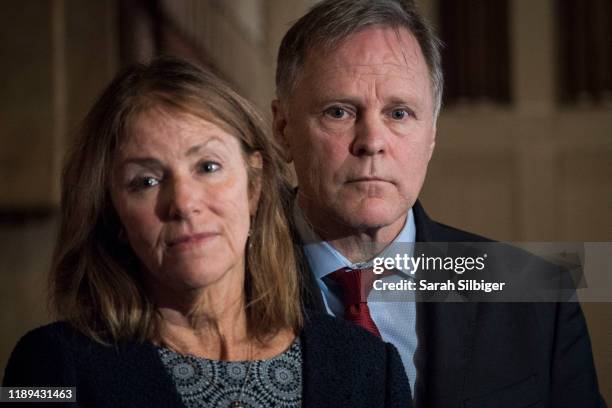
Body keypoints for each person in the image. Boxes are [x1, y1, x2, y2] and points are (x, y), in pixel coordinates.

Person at [3, 57, 411, 407]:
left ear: (254, 185)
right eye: (145, 181)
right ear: (114, 216)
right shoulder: (48, 369)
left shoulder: (371, 369)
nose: (183, 203)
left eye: (208, 167)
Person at [271, 0, 606, 407]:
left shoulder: (538, 296)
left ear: (430, 135)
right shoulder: (215, 288)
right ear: (283, 129)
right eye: (339, 112)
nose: (372, 142)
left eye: (399, 113)